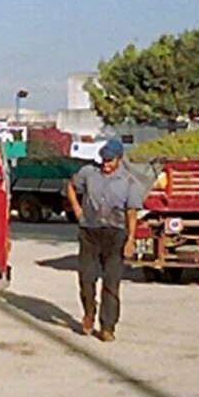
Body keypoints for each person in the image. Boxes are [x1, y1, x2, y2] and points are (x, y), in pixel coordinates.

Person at [64, 139, 142, 342]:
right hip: (90, 232)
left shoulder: (129, 182)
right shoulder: (89, 173)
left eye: (110, 160)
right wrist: (77, 210)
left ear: (119, 159)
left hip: (115, 235)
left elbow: (131, 213)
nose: (106, 164)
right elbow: (70, 186)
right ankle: (89, 311)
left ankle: (107, 326)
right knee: (86, 279)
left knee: (111, 283)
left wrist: (131, 239)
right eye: (104, 159)